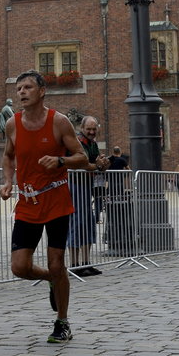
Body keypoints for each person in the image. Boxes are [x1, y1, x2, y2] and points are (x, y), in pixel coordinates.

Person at [0, 70, 88, 344]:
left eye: (27, 87)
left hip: (56, 202)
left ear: (41, 91)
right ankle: (54, 279)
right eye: (18, 88)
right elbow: (7, 156)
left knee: (57, 260)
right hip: (28, 202)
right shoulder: (13, 124)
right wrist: (7, 181)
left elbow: (82, 158)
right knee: (19, 267)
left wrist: (61, 162)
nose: (21, 92)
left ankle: (62, 322)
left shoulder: (59, 122)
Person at [68, 116, 100, 277]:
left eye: (94, 129)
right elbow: (83, 164)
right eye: (89, 129)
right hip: (75, 186)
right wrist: (97, 166)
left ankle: (87, 262)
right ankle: (74, 264)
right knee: (76, 223)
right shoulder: (77, 142)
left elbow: (95, 164)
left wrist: (101, 165)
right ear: (82, 128)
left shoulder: (93, 144)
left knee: (87, 223)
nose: (92, 132)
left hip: (86, 186)